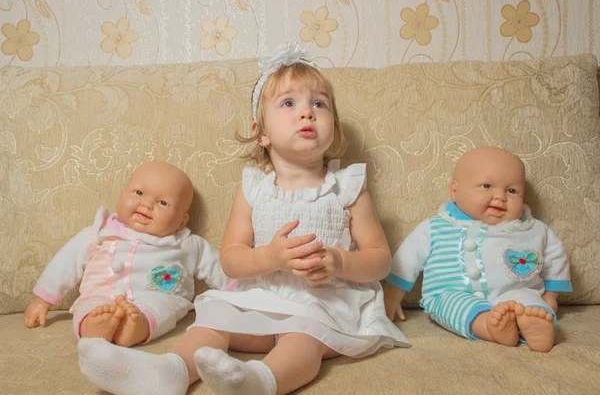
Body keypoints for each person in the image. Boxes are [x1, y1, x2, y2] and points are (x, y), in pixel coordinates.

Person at [77, 43, 408, 395]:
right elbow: (232, 260)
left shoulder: (348, 188)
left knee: (302, 341)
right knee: (209, 327)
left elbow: (380, 260)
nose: (307, 113)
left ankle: (256, 382)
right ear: (261, 132)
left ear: (335, 128)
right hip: (261, 295)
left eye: (319, 104)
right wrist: (270, 257)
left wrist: (339, 261)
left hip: (325, 303)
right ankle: (166, 373)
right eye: (288, 104)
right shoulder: (253, 188)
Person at [384, 147, 572, 353]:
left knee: (531, 304)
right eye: (487, 186)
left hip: (515, 292)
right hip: (452, 293)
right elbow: (408, 258)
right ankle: (489, 327)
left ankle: (539, 328)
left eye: (512, 191)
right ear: (455, 191)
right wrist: (392, 296)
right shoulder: (435, 227)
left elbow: (555, 257)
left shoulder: (534, 229)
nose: (500, 197)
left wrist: (551, 296)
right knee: (453, 306)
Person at [24, 161, 230, 347]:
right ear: (122, 194)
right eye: (139, 193)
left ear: (182, 221)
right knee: (91, 306)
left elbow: (220, 269)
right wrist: (43, 300)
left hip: (158, 297)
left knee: (164, 307)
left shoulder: (187, 244)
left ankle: (138, 327)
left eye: (163, 203)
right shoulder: (99, 232)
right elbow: (66, 262)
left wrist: (242, 294)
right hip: (101, 294)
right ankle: (92, 327)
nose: (147, 204)